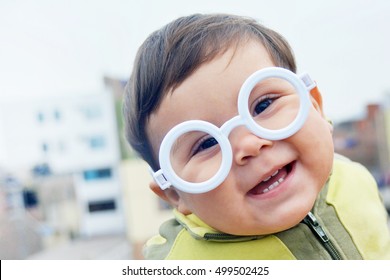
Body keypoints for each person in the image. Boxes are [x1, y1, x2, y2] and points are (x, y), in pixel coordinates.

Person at [123, 13, 390, 259]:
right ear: (174, 193)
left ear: (315, 105)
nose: (249, 143)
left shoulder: (356, 180)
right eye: (207, 142)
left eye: (263, 106)